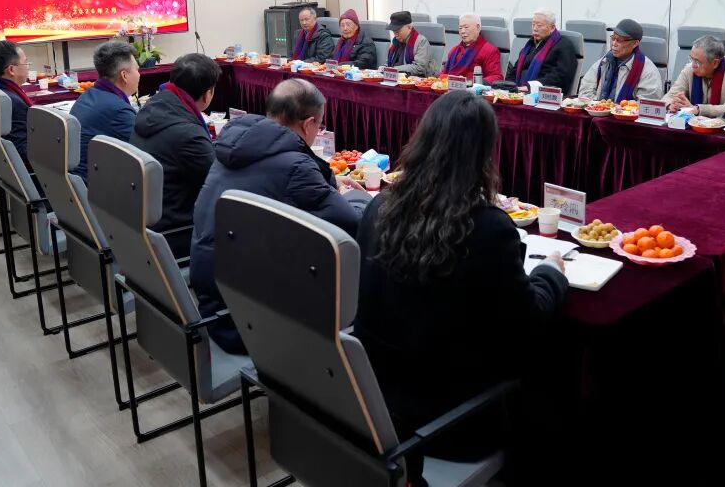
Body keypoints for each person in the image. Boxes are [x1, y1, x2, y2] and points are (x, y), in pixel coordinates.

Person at [354, 91, 567, 485]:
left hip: (375, 404)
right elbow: (528, 322)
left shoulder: (378, 206)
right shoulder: (487, 228)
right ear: (483, 155)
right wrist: (551, 273)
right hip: (452, 424)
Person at [190, 78, 370, 354]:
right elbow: (350, 223)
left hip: (215, 302)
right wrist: (361, 199)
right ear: (308, 124)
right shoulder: (296, 166)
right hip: (251, 322)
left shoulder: (233, 147)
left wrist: (329, 184)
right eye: (319, 126)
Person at [130, 53, 220, 258]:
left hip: (146, 225)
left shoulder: (153, 105)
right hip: (177, 233)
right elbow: (218, 184)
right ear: (207, 95)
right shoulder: (189, 135)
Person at [70, 41, 139, 183]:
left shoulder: (87, 95)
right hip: (97, 187)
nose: (139, 75)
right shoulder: (119, 111)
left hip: (79, 181)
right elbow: (145, 152)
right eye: (137, 70)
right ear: (124, 75)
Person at [663, 34, 725, 119]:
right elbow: (668, 97)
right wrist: (671, 105)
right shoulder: (689, 69)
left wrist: (697, 109)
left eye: (697, 62)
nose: (693, 65)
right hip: (696, 123)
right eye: (691, 59)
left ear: (715, 63)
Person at [578, 18, 663, 101]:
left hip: (626, 110)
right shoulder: (604, 61)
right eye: (613, 38)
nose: (614, 44)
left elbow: (647, 105)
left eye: (620, 40)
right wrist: (596, 106)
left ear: (635, 43)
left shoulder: (648, 71)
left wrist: (619, 108)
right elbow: (585, 90)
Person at [0, 41, 33, 169]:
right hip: (27, 169)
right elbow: (23, 150)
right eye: (26, 63)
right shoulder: (13, 102)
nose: (28, 67)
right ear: (11, 69)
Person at [505, 8, 578, 91]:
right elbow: (514, 71)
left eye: (539, 25)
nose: (535, 29)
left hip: (543, 92)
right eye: (533, 25)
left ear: (552, 27)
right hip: (518, 91)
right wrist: (508, 87)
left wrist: (529, 87)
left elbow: (560, 77)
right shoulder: (529, 45)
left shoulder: (563, 45)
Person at [441, 13, 503, 83]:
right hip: (450, 86)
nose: (462, 31)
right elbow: (444, 74)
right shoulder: (454, 51)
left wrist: (473, 82)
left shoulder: (489, 50)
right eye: (460, 28)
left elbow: (496, 76)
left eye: (466, 27)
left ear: (478, 27)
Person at [385, 10, 434, 77]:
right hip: (398, 78)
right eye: (394, 31)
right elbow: (390, 63)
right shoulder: (395, 42)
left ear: (409, 27)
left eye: (398, 31)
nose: (395, 34)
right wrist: (384, 68)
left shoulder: (421, 41)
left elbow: (419, 67)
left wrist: (394, 69)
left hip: (418, 80)